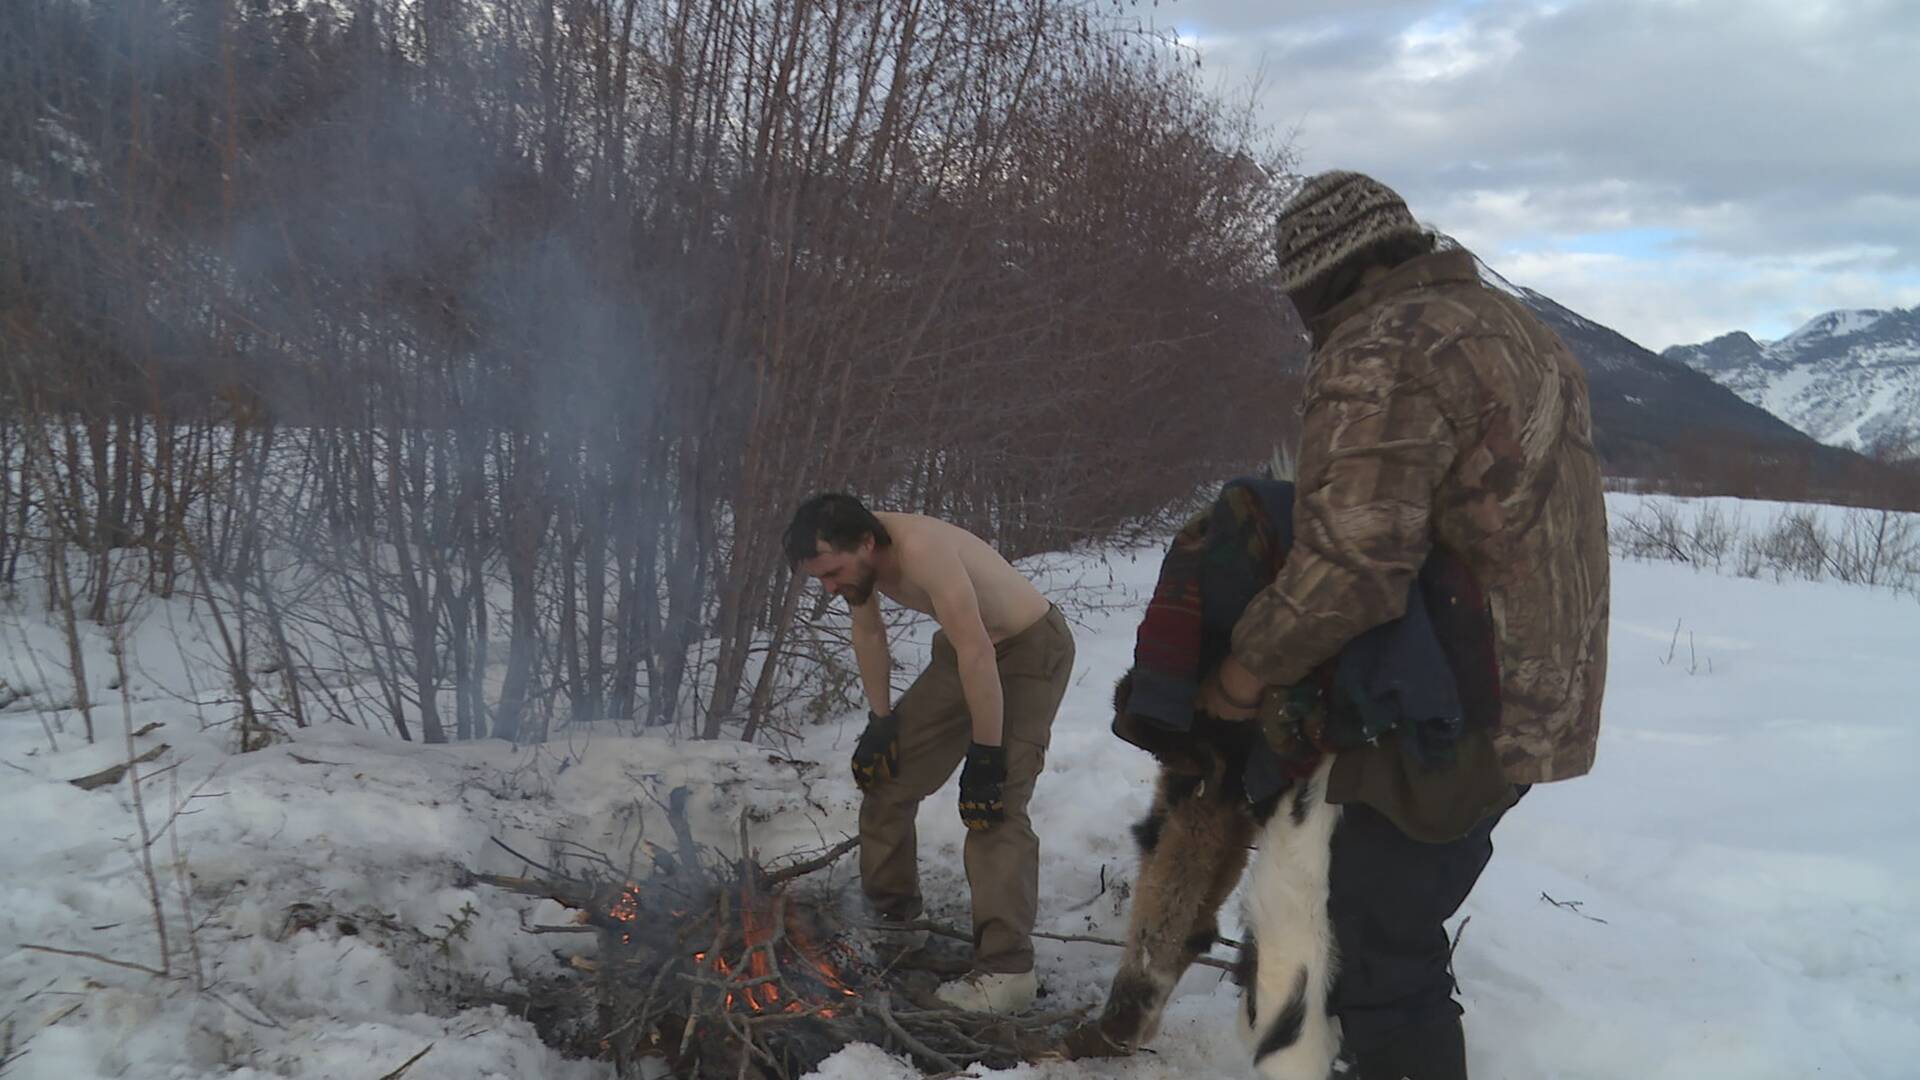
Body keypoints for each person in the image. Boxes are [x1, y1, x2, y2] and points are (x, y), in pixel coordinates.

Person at [1192, 171, 1612, 1080]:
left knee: (1376, 947)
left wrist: (1241, 674)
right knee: (1380, 922)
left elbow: (1353, 564)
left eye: (1301, 300)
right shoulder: (1511, 327)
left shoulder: (1388, 344)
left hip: (1455, 707)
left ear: (1325, 283)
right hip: (1534, 693)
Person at [784, 493, 1076, 1014]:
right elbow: (869, 631)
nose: (829, 587)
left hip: (1029, 649)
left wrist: (986, 757)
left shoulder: (924, 551)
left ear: (867, 543)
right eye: (820, 578)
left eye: (831, 572)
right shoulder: (862, 566)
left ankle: (1008, 971)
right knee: (886, 776)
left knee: (995, 806)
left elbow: (979, 653)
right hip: (966, 652)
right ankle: (893, 924)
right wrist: (881, 722)